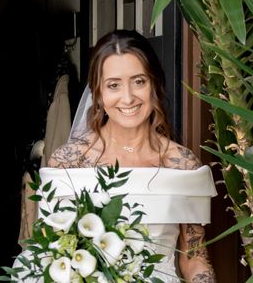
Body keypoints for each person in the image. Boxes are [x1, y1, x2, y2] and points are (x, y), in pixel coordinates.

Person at [45, 29, 217, 283]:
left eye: (139, 81)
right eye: (114, 85)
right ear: (99, 93)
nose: (128, 98)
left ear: (154, 85)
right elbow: (51, 252)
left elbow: (194, 255)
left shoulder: (182, 165)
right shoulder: (68, 162)